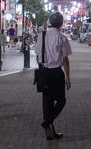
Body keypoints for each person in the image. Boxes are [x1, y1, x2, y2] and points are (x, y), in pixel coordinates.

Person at [35, 12, 72, 140]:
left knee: (47, 101)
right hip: (56, 72)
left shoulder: (41, 35)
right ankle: (47, 123)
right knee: (61, 100)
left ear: (50, 22)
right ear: (61, 23)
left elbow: (37, 55)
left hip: (44, 71)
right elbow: (65, 59)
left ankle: (49, 130)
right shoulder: (62, 38)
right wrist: (68, 77)